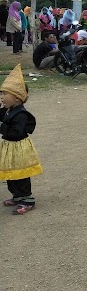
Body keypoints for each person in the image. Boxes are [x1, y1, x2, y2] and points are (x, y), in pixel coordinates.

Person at [0, 65, 41, 215]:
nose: (2, 97)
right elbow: (3, 118)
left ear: (17, 97)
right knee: (11, 174)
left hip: (19, 148)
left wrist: (2, 126)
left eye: (5, 94)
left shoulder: (21, 114)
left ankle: (27, 199)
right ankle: (17, 196)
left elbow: (16, 132)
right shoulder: (9, 110)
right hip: (10, 148)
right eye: (1, 94)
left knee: (21, 174)